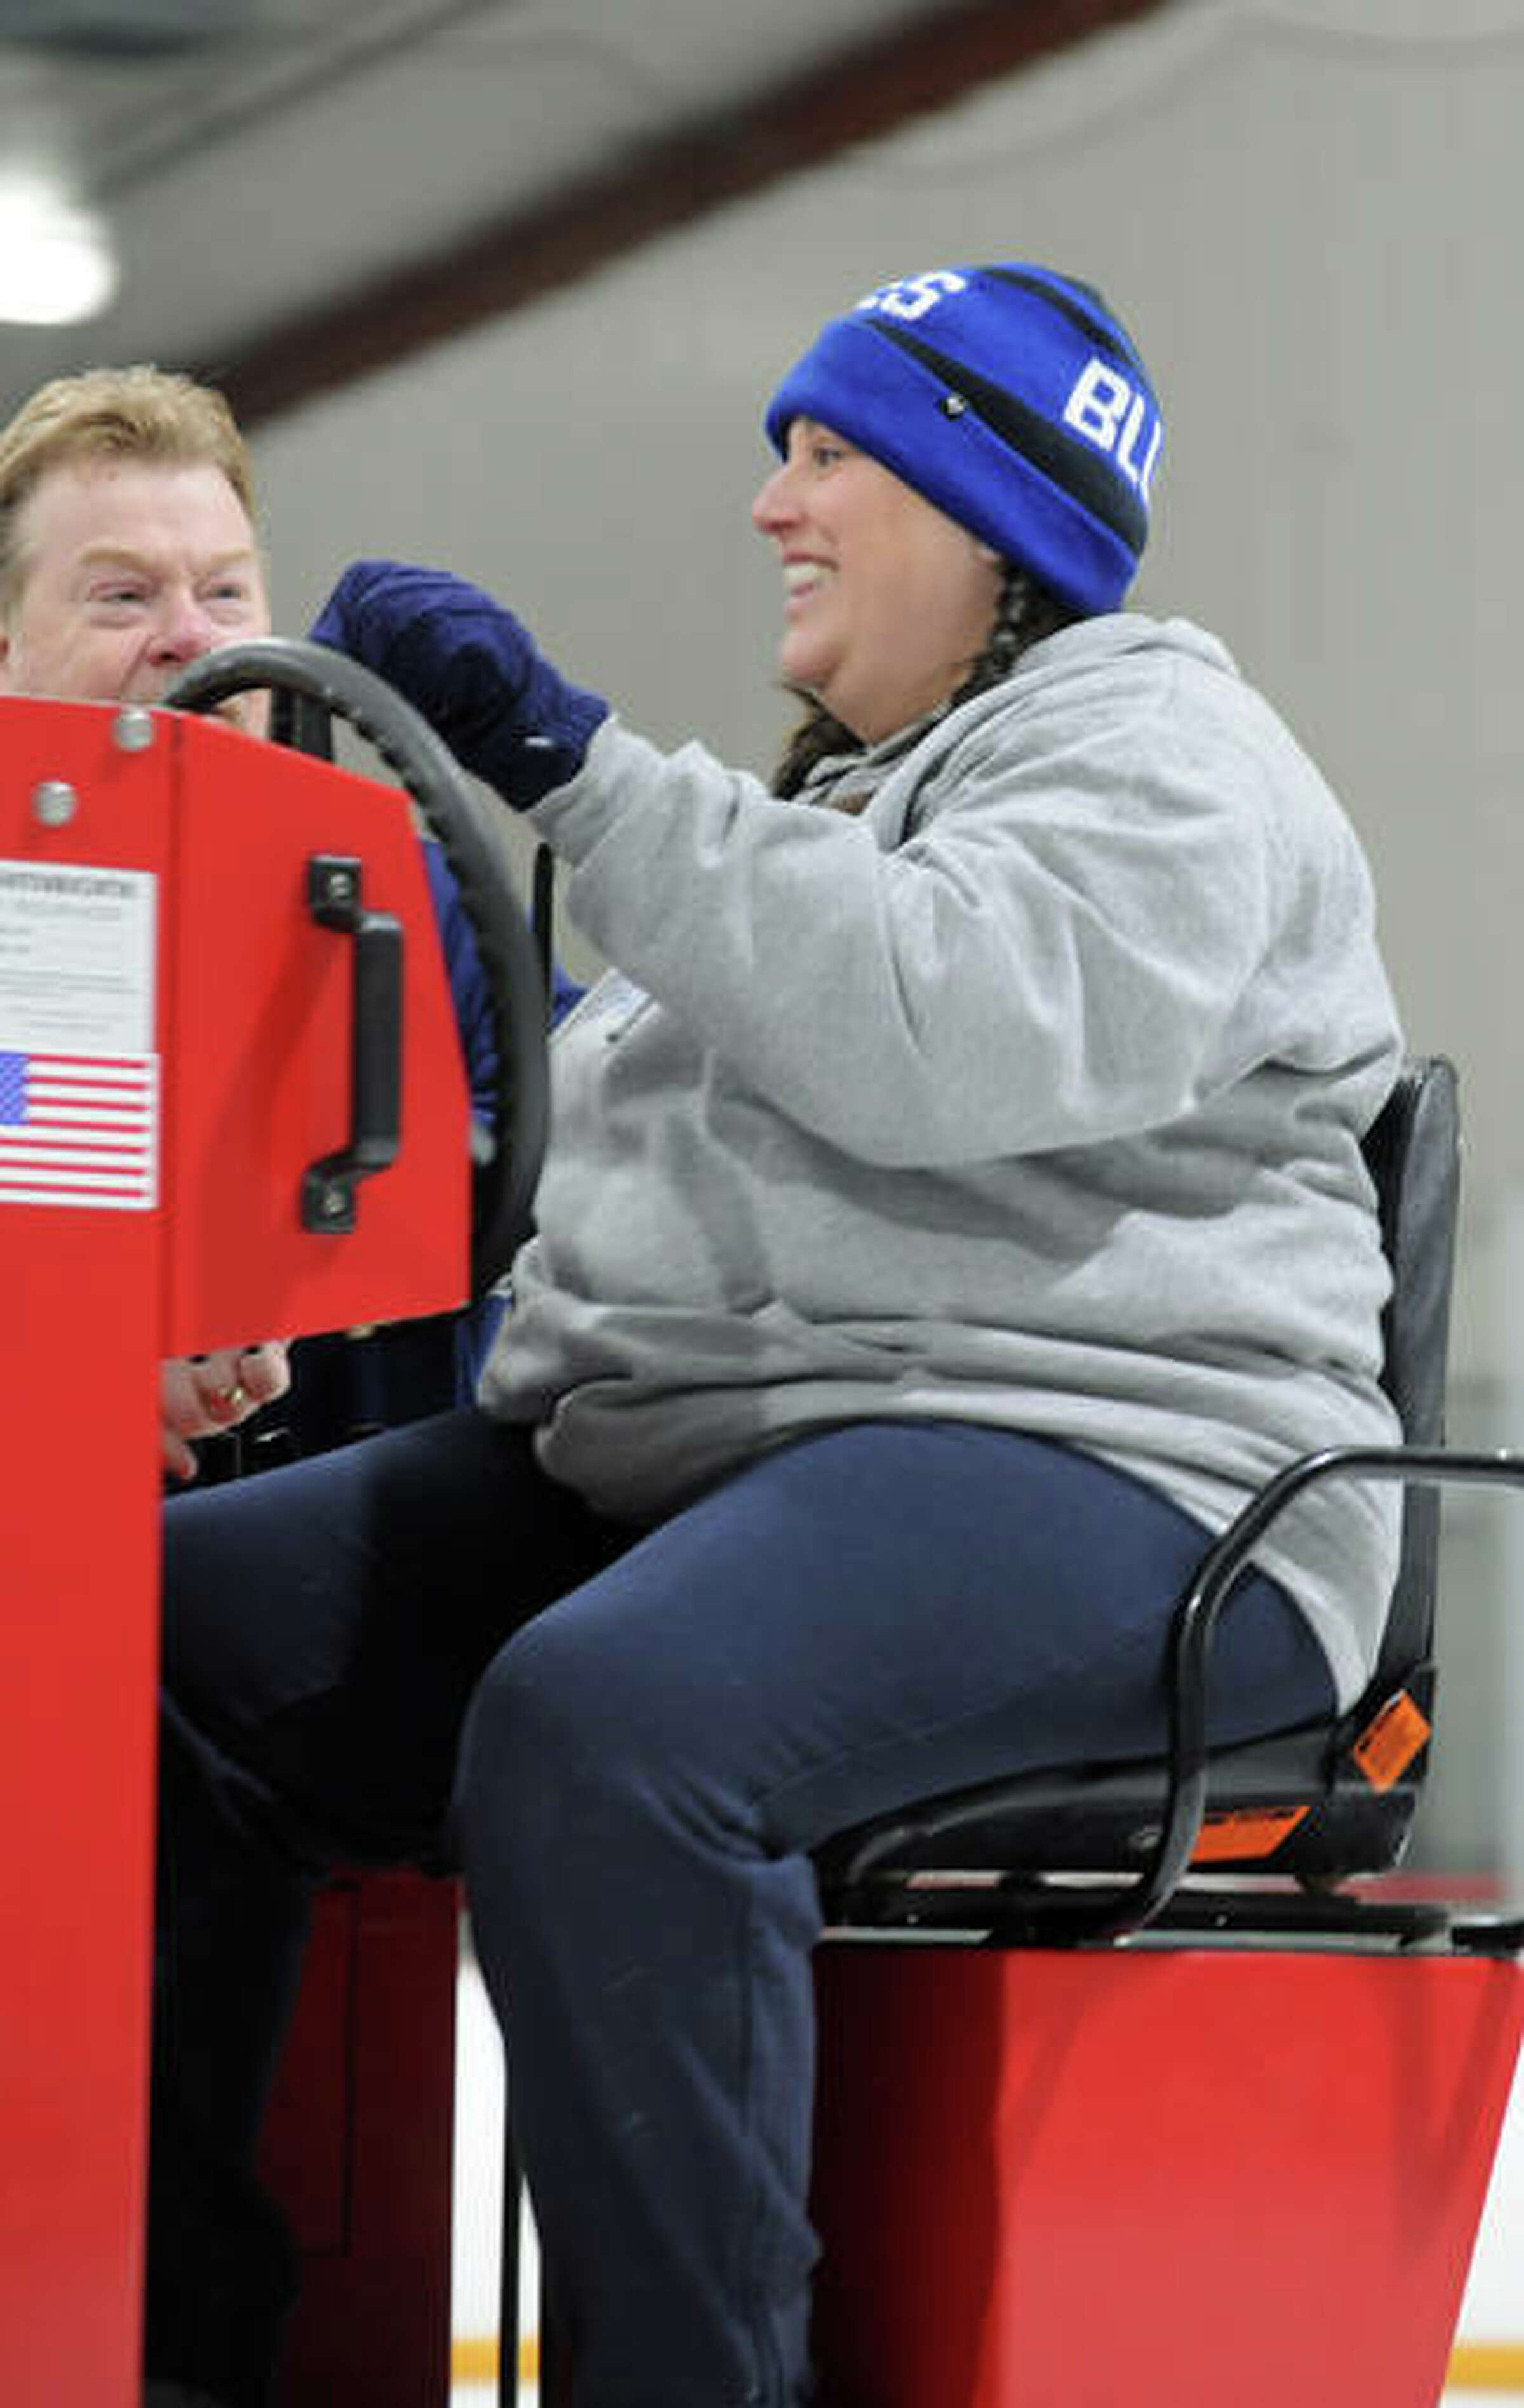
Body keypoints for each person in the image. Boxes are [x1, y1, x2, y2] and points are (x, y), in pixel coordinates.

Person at [148, 263, 1403, 2407]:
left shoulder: (1165, 751)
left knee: (615, 1725)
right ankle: (173, 2341)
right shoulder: (841, 799)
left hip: (1134, 1472)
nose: (774, 506)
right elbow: (641, 1140)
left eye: (830, 455)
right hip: (754, 1456)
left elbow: (933, 1025)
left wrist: (574, 763)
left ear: (986, 509)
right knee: (130, 1629)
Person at [0, 363, 521, 1483]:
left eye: (225, 593)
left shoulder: (406, 901)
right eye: (122, 596)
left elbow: (573, 1146)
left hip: (360, 1540)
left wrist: (288, 1276)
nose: (190, 636)